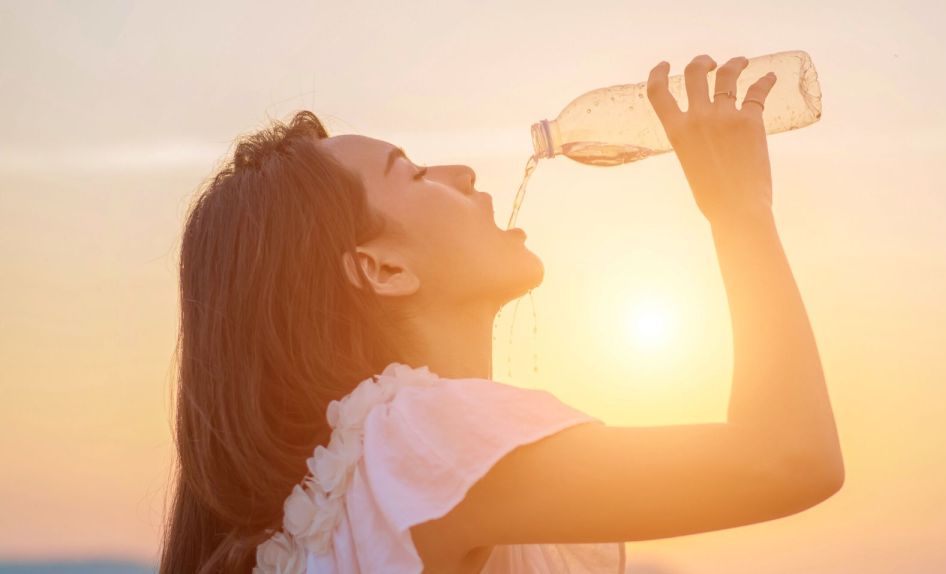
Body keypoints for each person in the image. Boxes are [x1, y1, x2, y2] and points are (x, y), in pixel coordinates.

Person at [159, 54, 844, 573]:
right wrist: (741, 210)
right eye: (417, 174)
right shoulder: (420, 441)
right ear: (383, 269)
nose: (462, 173)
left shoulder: (381, 477)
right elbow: (789, 461)